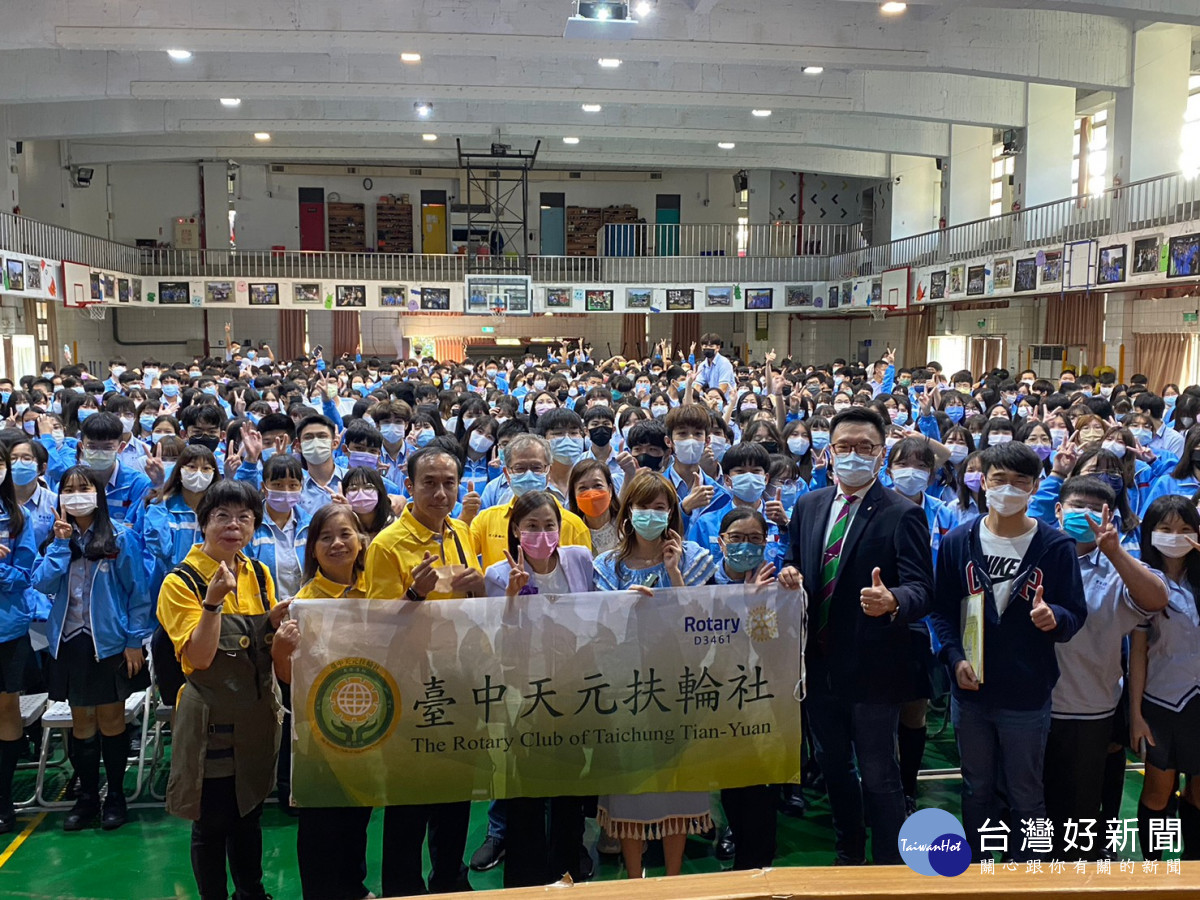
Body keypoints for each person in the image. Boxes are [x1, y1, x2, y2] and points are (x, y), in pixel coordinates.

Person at [778, 407, 933, 865]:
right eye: (844, 447)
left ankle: (887, 865)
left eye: (865, 448)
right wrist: (789, 571)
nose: (853, 456)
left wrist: (894, 601)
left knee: (879, 773)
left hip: (873, 667)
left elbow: (924, 590)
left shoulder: (902, 513)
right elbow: (795, 557)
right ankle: (848, 853)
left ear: (880, 454)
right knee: (834, 768)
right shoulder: (809, 504)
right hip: (817, 663)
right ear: (829, 453)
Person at [930, 442, 1087, 862]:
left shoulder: (1055, 547)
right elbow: (942, 611)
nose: (1009, 489)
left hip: (1027, 693)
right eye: (1000, 479)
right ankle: (979, 872)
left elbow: (1076, 612)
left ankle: (1027, 874)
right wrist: (953, 657)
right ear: (983, 482)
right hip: (971, 691)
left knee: (1026, 794)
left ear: (1036, 487)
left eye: (1021, 481)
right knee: (976, 788)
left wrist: (1055, 618)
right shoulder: (958, 541)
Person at [158, 481, 291, 900]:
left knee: (249, 814)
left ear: (254, 526)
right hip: (210, 723)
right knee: (212, 822)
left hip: (254, 716)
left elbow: (262, 647)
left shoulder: (259, 572)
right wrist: (212, 603)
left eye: (244, 518)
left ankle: (251, 891)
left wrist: (274, 623)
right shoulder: (180, 583)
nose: (233, 526)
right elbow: (198, 657)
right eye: (222, 517)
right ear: (203, 523)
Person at [365, 445, 481, 895]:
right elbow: (378, 629)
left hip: (459, 679)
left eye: (448, 483)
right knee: (409, 802)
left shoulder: (460, 533)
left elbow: (471, 614)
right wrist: (413, 596)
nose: (439, 492)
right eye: (428, 483)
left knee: (455, 792)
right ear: (408, 486)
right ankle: (402, 887)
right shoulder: (387, 545)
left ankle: (450, 878)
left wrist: (475, 592)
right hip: (411, 688)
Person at [594, 471, 716, 878]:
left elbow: (703, 624)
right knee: (631, 786)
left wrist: (675, 574)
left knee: (677, 782)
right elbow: (596, 628)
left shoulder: (697, 558)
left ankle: (675, 877)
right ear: (626, 513)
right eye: (642, 507)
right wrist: (621, 607)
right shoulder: (606, 566)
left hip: (680, 688)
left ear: (672, 513)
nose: (651, 514)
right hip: (625, 690)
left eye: (660, 507)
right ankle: (634, 878)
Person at [1045, 475, 1168, 858]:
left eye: (1094, 508)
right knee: (1038, 809)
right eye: (1076, 506)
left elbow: (1156, 599)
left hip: (1091, 707)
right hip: (1033, 708)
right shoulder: (1038, 554)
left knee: (1082, 811)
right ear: (1058, 511)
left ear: (1109, 515)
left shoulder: (1120, 563)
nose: (1084, 515)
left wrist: (1113, 551)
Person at [482, 490, 591, 887]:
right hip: (523, 694)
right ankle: (524, 879)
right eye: (531, 526)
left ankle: (567, 869)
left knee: (570, 783)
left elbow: (601, 609)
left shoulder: (579, 560)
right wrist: (511, 596)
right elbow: (496, 640)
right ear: (515, 530)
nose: (542, 534)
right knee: (524, 788)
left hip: (574, 688)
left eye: (550, 526)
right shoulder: (496, 573)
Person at [34, 466, 150, 831]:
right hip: (70, 642)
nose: (75, 494)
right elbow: (42, 582)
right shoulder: (55, 538)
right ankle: (86, 796)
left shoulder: (121, 537)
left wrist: (134, 642)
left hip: (111, 642)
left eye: (83, 488)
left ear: (98, 494)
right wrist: (59, 544)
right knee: (81, 721)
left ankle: (114, 795)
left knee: (112, 720)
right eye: (67, 489)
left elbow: (139, 594)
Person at [285, 505, 372, 900]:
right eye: (326, 538)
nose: (337, 544)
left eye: (345, 535)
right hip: (321, 729)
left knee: (358, 813)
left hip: (373, 722)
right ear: (313, 550)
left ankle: (353, 886)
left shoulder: (379, 589)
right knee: (322, 820)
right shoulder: (304, 603)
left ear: (361, 541)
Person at [1129, 495, 1200, 860]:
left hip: (1199, 701)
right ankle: (1154, 870)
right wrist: (1136, 714)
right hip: (1161, 701)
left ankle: (1193, 866)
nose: (1176, 536)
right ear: (1150, 533)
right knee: (1158, 790)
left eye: (1186, 529)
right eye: (1166, 529)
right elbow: (1137, 654)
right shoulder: (1142, 580)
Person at [469, 434, 591, 570]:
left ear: (548, 471)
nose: (529, 474)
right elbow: (463, 559)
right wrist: (466, 516)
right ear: (507, 473)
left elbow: (583, 577)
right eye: (520, 468)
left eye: (536, 468)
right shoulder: (485, 521)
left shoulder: (574, 525)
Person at [0, 445, 37, 834]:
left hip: (7, 627)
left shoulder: (17, 517)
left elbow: (25, 576)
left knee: (5, 710)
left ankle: (4, 798)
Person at [567, 459, 620, 554]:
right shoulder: (570, 532)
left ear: (610, 490)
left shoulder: (627, 525)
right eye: (583, 488)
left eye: (597, 485)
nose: (591, 493)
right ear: (574, 495)